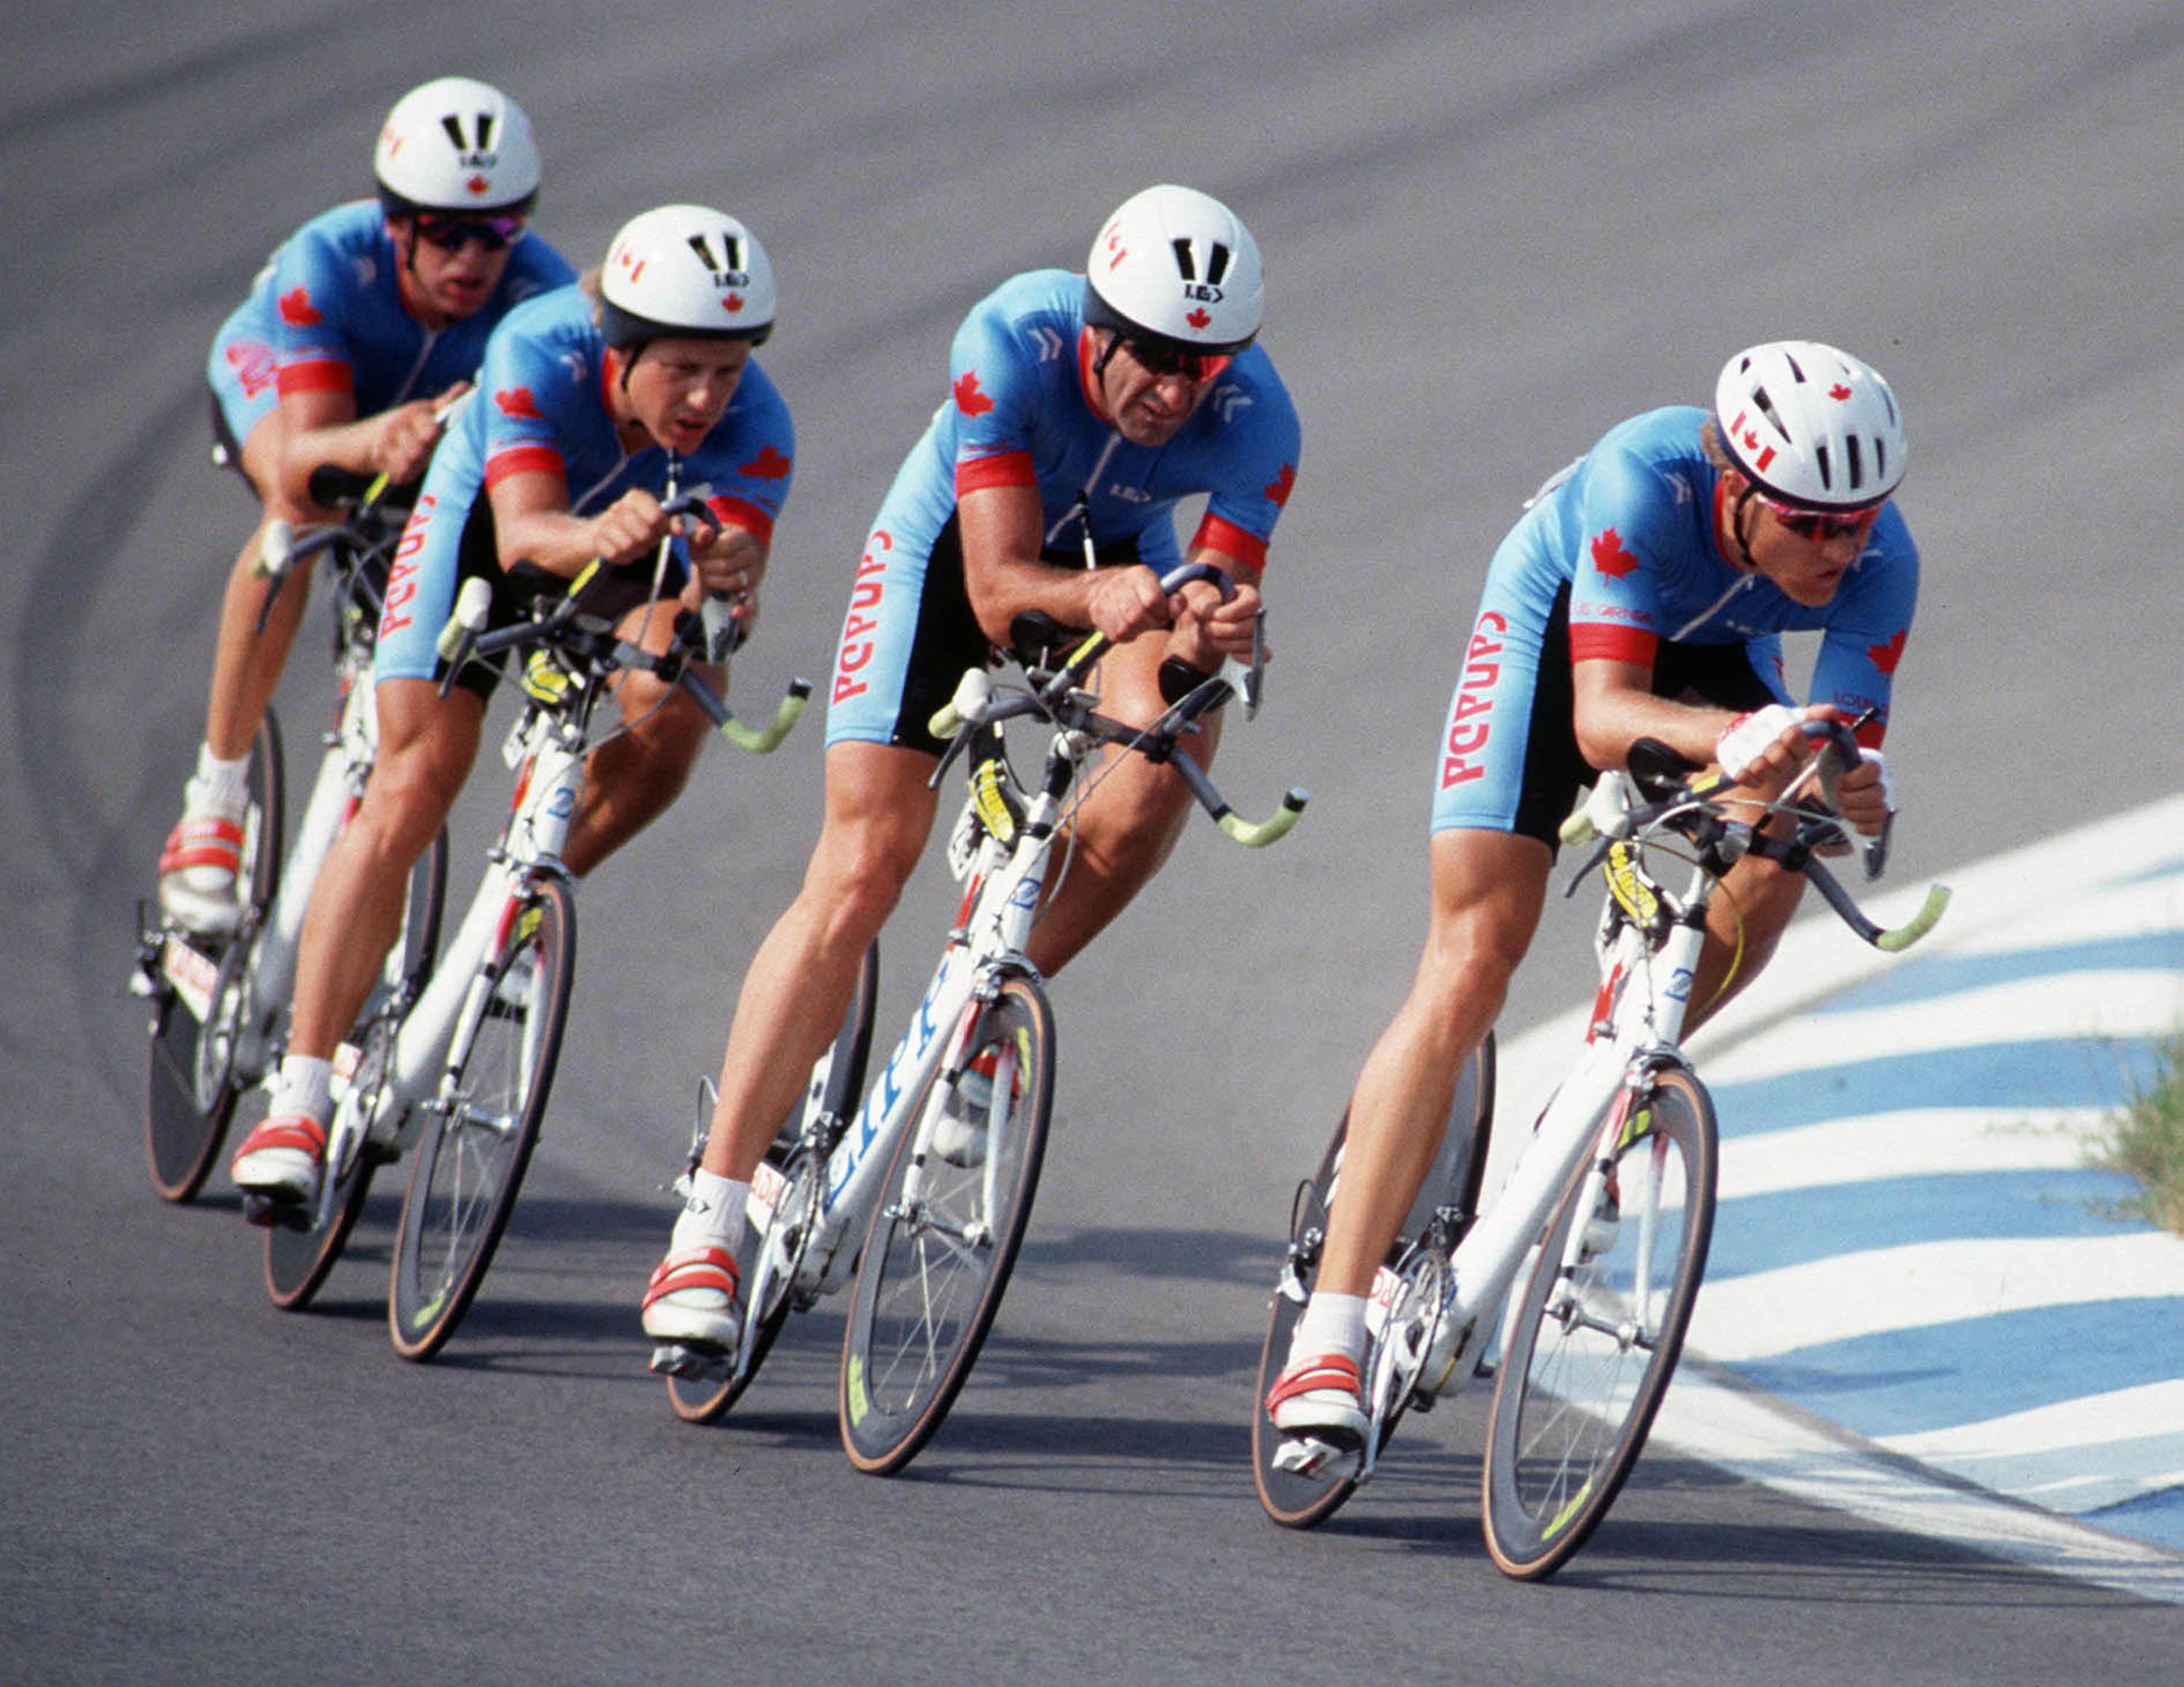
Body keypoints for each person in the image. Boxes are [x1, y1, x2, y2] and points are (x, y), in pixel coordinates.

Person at [638, 183, 1302, 1354]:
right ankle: (712, 1213)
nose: (1173, 389)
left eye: (1204, 366)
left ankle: (987, 1008)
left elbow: (1206, 611)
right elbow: (999, 594)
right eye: (1150, 355)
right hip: (951, 558)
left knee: (1170, 750)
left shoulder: (1259, 420)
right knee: (863, 867)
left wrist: (1208, 635)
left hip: (1120, 567)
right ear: (1096, 330)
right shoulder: (1012, 340)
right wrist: (1100, 599)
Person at [1265, 340, 1918, 1445]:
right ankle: (1327, 1335)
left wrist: (1847, 785)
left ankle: (1618, 1081)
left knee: (1786, 843)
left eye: (1856, 521)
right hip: (1564, 637)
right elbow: (1600, 719)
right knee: (1476, 956)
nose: (1840, 547)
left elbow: (1828, 755)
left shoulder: (1881, 558)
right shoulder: (1643, 480)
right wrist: (1735, 737)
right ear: (1736, 488)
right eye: (1809, 523)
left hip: (1714, 657)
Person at [228, 204, 796, 1216]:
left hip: (627, 558)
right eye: (683, 370)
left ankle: (520, 890)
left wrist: (724, 583)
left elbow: (718, 611)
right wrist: (601, 534)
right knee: (412, 785)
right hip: (489, 535)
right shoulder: (540, 347)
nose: (709, 397)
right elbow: (528, 533)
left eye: (730, 368)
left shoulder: (761, 430)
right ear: (619, 349)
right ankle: (299, 1099)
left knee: (681, 702)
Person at [157, 75, 576, 936]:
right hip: (293, 397)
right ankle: (217, 795)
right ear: (398, 225)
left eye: (499, 231)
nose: (474, 258)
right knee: (301, 513)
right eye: (447, 233)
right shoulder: (329, 261)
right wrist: (370, 441)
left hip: (423, 433)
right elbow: (312, 453)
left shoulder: (542, 295)